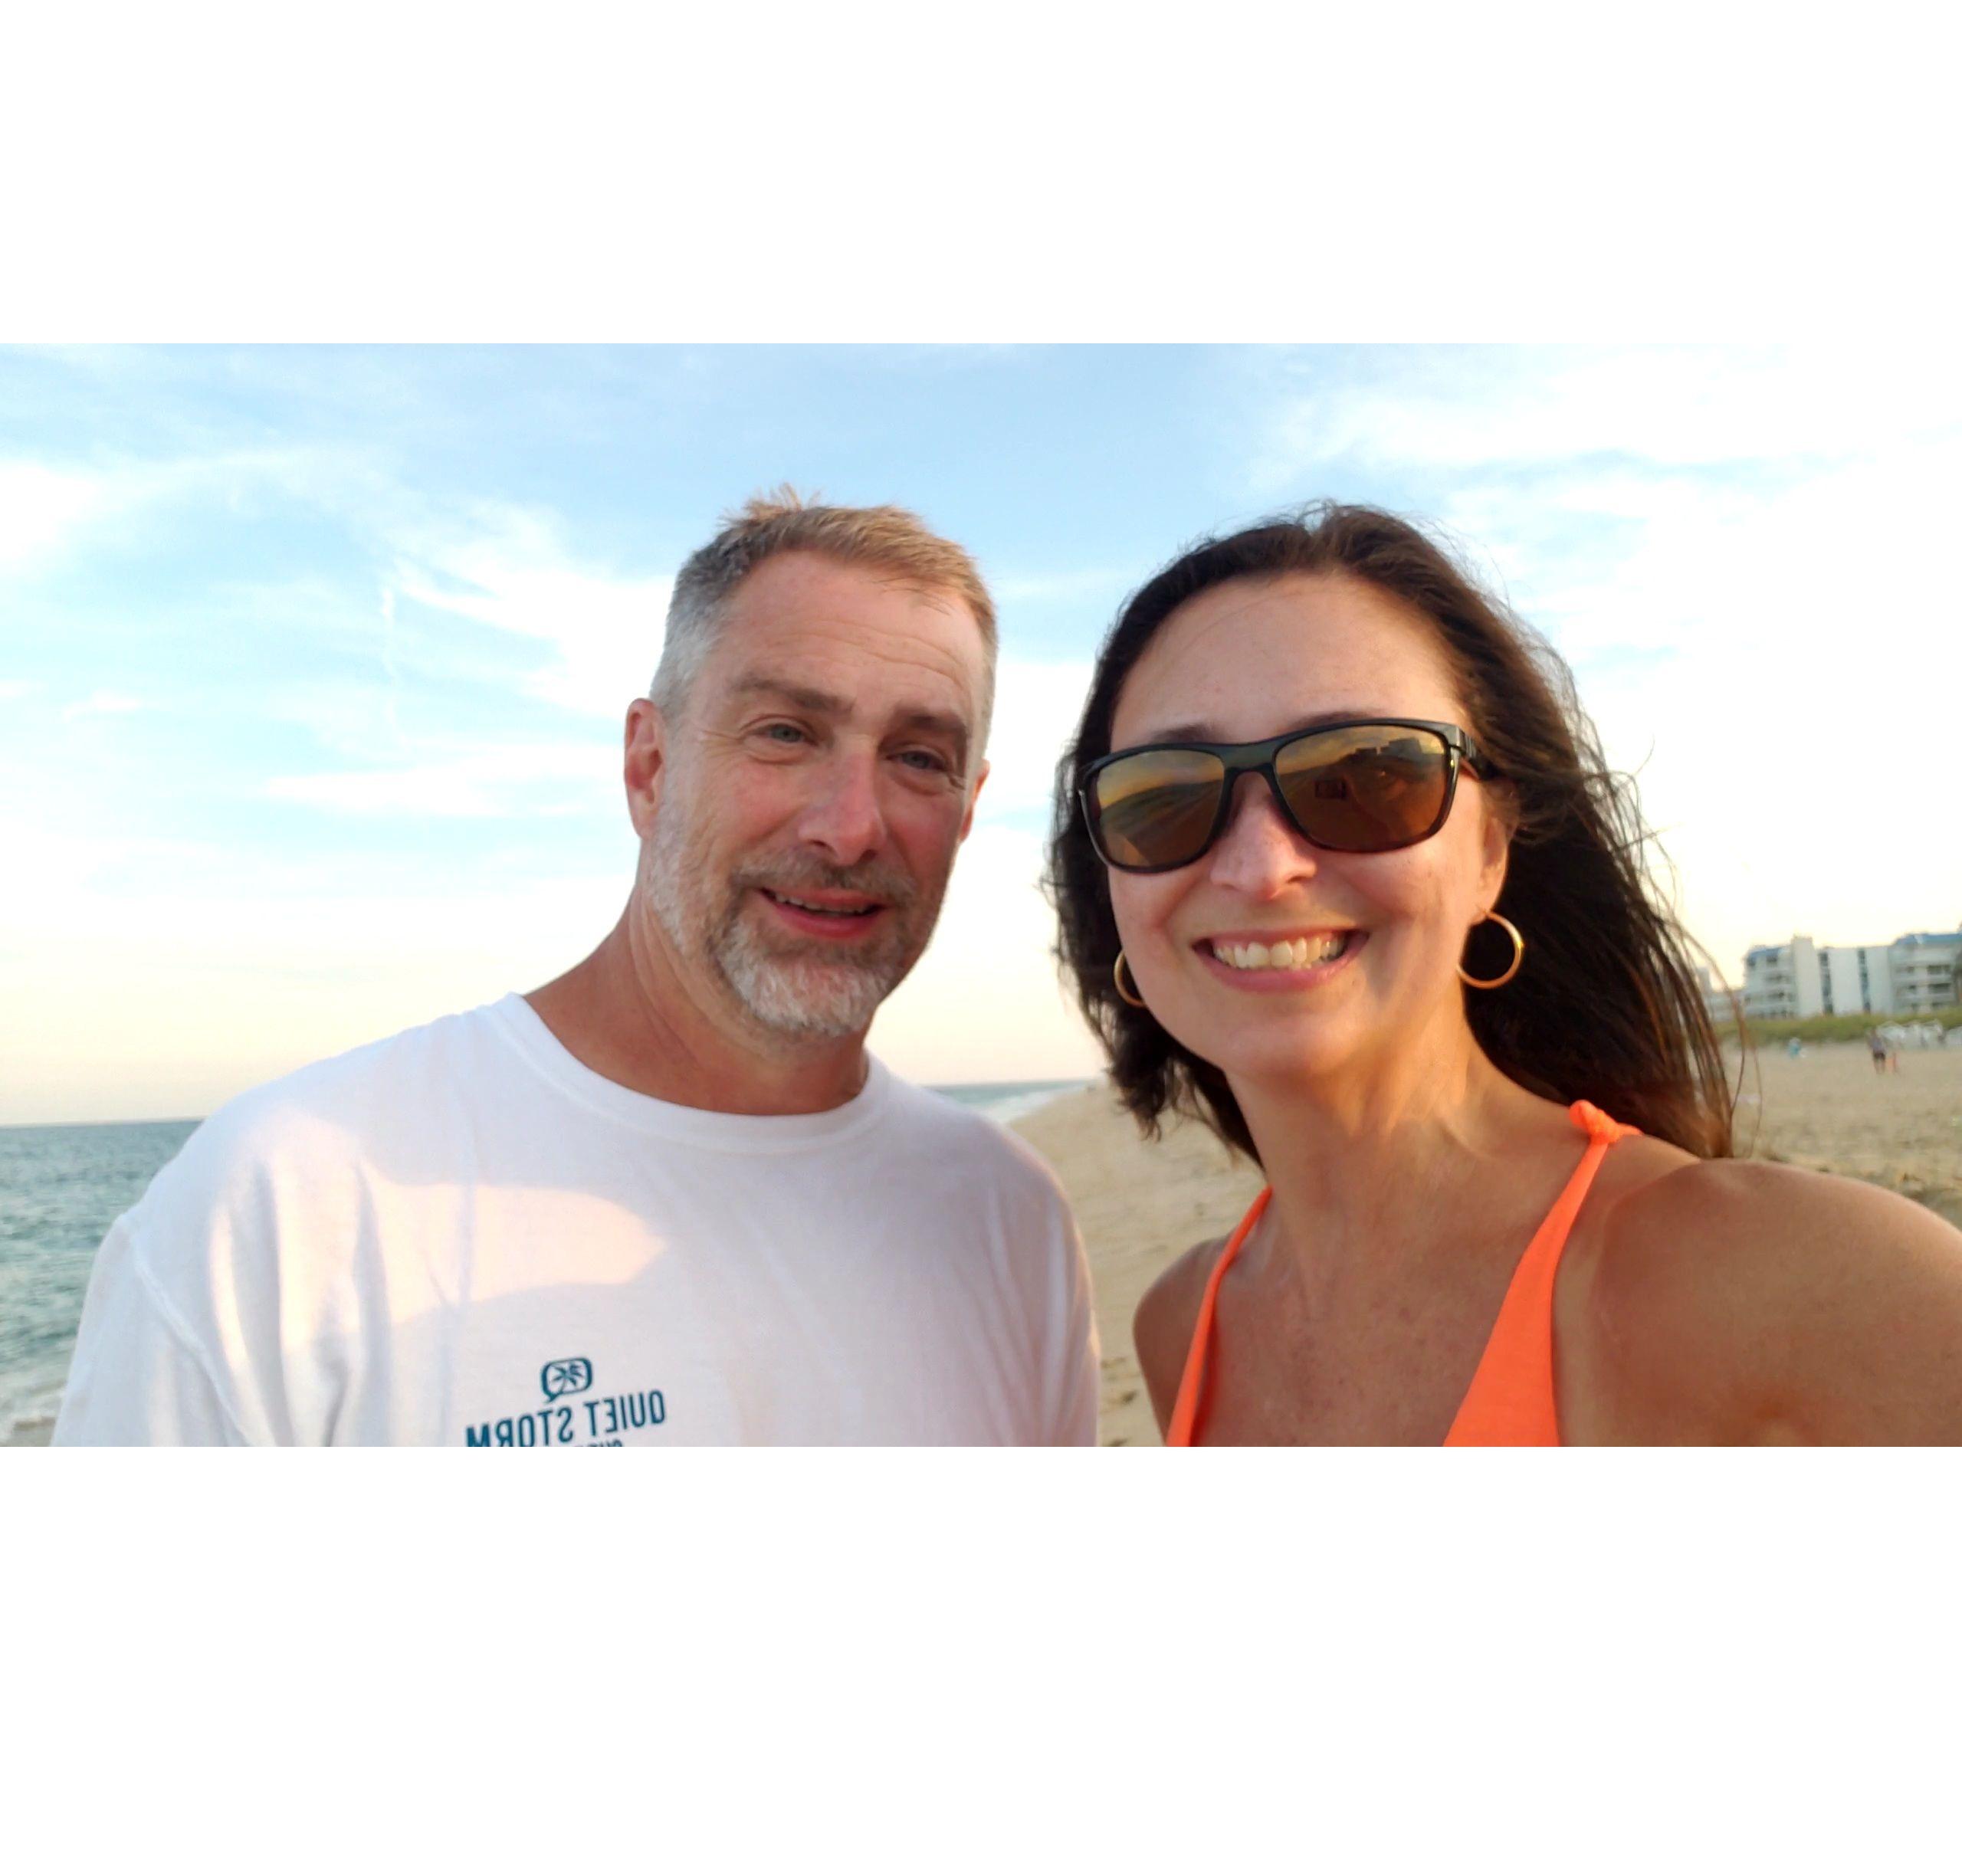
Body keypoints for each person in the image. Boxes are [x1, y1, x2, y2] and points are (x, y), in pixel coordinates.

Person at [57, 491, 1097, 1446]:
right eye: (785, 733)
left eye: (919, 756)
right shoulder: (289, 1207)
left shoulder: (1009, 1219)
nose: (851, 826)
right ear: (650, 767)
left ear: (965, 811)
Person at [1047, 503, 1962, 1445]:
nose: (1259, 865)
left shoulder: (1806, 1287)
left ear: (1489, 846)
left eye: (1363, 775)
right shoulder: (1179, 1326)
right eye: (1162, 796)